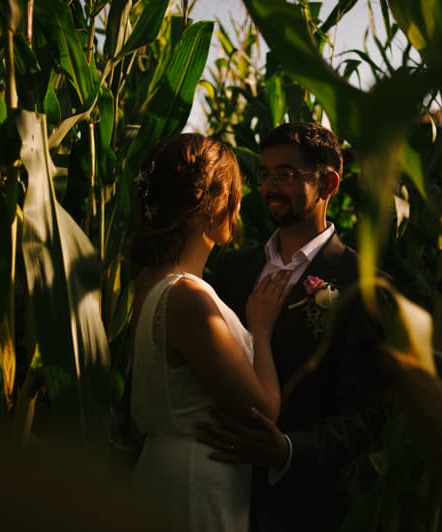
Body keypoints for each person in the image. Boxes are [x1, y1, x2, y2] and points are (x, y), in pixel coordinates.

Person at [199, 122, 388, 531]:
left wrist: (286, 451)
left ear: (328, 184)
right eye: (265, 174)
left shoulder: (361, 283)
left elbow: (368, 413)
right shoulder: (233, 268)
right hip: (217, 492)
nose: (270, 187)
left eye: (286, 174)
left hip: (307, 509)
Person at [129, 133, 290, 532]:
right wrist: (261, 330)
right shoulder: (189, 299)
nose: (238, 208)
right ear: (208, 207)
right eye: (233, 196)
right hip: (193, 487)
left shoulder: (151, 282)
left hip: (167, 471)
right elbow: (263, 410)